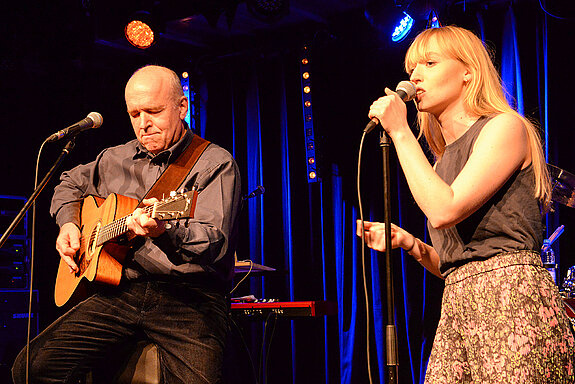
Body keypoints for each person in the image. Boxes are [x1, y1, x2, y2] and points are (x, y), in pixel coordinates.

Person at [357, 26, 574, 382]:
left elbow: (445, 210)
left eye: (429, 62)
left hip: (511, 303)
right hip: (458, 306)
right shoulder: (442, 161)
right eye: (412, 68)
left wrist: (399, 132)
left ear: (468, 72)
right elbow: (460, 264)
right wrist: (410, 243)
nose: (415, 75)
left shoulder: (505, 128)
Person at [12, 65, 241, 383]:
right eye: (135, 114)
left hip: (190, 299)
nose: (143, 124)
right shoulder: (113, 159)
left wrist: (165, 230)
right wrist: (69, 225)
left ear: (182, 106)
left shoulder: (215, 163)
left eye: (154, 111)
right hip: (123, 292)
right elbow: (67, 183)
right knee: (32, 368)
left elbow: (214, 242)